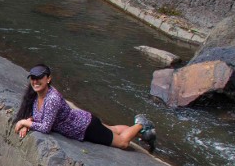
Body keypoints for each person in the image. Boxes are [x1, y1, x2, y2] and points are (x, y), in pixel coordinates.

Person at [11, 64, 156, 150]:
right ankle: (145, 134)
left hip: (85, 128)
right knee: (114, 130)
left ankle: (141, 124)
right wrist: (28, 124)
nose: (35, 81)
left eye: (39, 78)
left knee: (123, 143)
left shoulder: (52, 99)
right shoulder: (39, 94)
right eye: (33, 78)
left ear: (48, 79)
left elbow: (45, 127)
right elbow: (39, 117)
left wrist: (24, 122)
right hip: (85, 120)